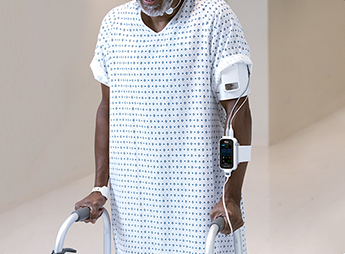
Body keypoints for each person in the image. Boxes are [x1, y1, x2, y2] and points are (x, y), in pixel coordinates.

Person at [75, 0, 252, 253]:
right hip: (135, 201)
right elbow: (106, 109)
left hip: (198, 196)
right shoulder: (114, 25)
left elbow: (238, 111)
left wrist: (231, 195)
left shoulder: (214, 17)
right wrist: (99, 186)